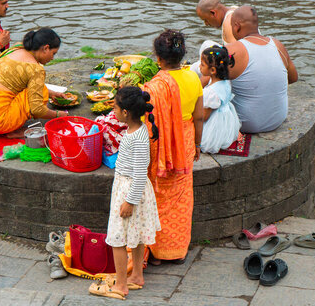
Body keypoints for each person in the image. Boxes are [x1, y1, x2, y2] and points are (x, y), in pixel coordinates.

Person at [89, 87, 161, 301]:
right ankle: (137, 275)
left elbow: (140, 173)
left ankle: (121, 285)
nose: (113, 111)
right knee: (137, 236)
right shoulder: (136, 130)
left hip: (130, 191)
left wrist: (129, 201)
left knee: (117, 239)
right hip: (133, 189)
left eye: (115, 108)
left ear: (126, 113)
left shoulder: (136, 138)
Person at [142, 29, 203, 265]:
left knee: (157, 193)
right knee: (180, 195)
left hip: (160, 145)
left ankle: (156, 252)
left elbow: (148, 122)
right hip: (185, 140)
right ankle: (177, 251)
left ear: (158, 58)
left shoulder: (154, 86)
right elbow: (198, 117)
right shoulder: (193, 78)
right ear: (182, 54)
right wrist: (197, 144)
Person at [0, 28, 68, 135]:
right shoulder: (35, 69)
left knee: (37, 88)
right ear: (46, 48)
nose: (52, 58)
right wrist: (57, 115)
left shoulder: (16, 48)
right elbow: (37, 110)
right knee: (40, 94)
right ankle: (11, 130)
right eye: (53, 53)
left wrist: (53, 94)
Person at [226, 5, 298, 133]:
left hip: (245, 124)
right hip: (277, 119)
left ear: (236, 26)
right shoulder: (277, 45)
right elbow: (293, 78)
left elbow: (210, 84)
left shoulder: (232, 50)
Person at [198, 45, 241, 153]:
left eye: (202, 65)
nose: (199, 66)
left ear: (212, 70)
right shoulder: (226, 82)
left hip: (214, 126)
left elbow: (205, 117)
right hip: (226, 120)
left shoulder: (211, 92)